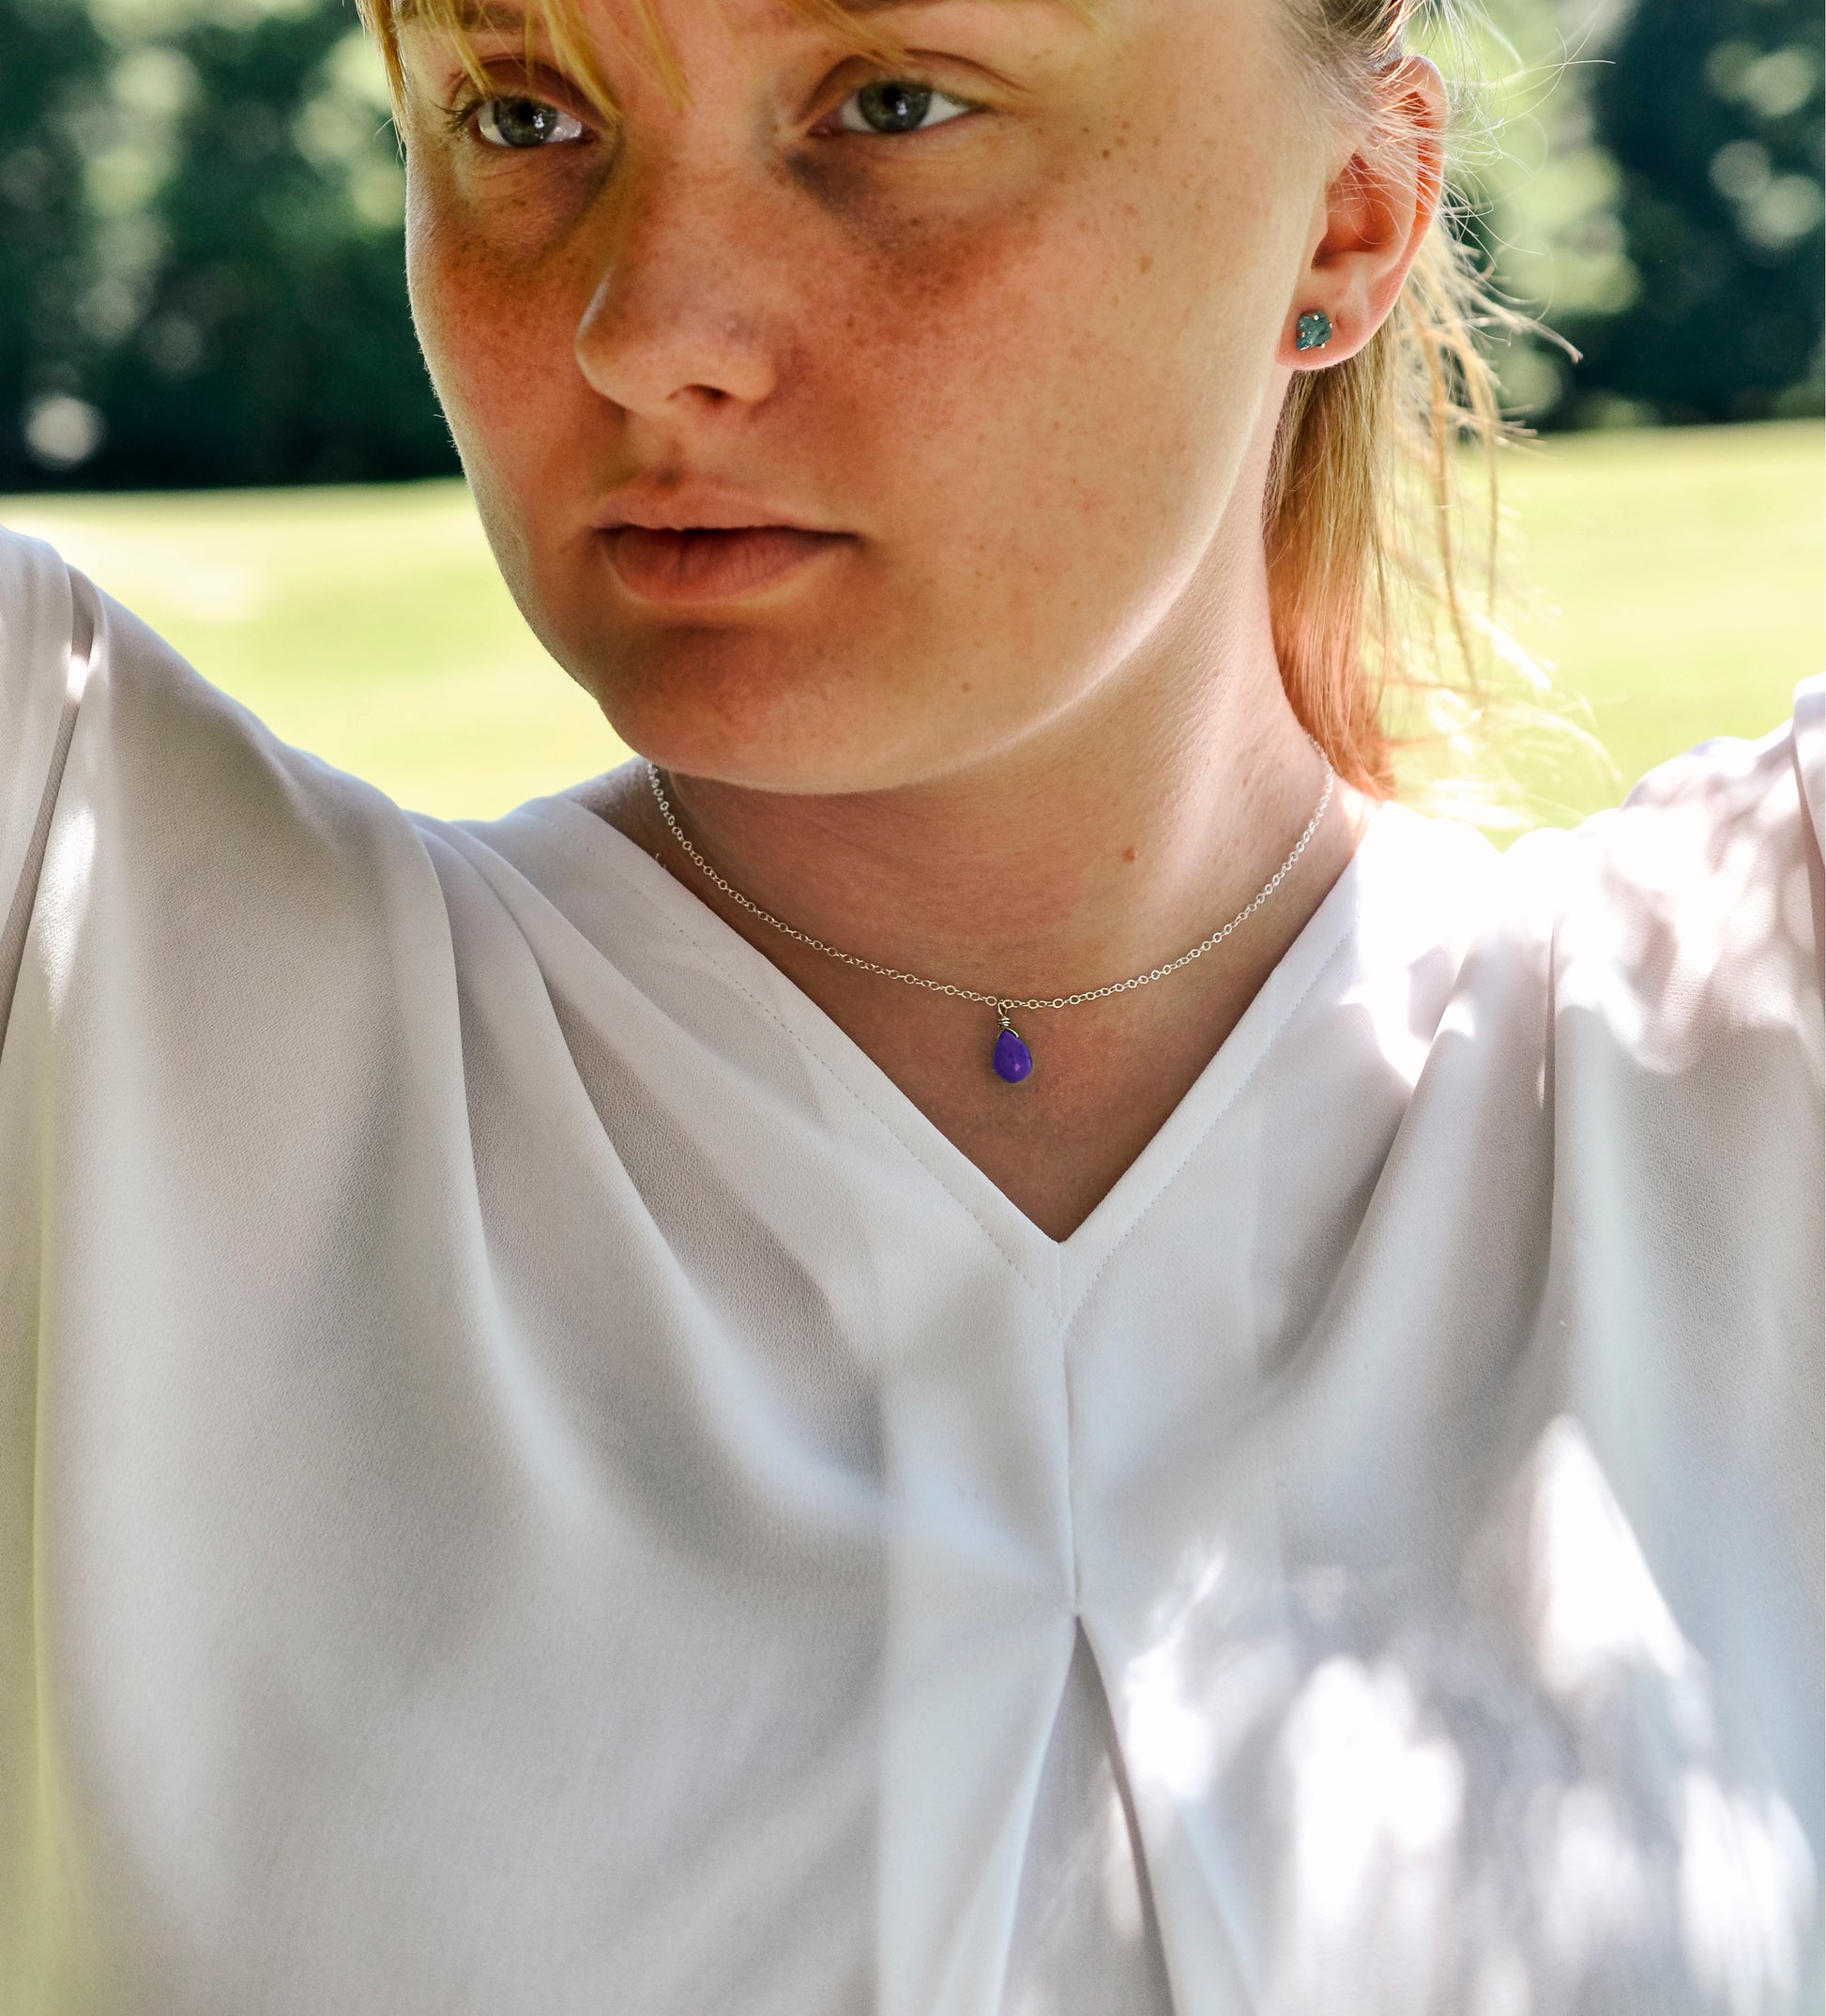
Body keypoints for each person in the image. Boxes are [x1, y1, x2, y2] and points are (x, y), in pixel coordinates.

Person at [0, 0, 1818, 2007]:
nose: (643, 326)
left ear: (1348, 216)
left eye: (890, 103)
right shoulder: (104, 1004)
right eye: (519, 113)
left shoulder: (1742, 1064)